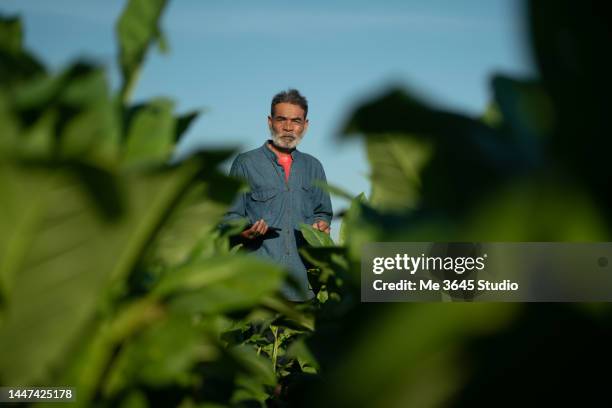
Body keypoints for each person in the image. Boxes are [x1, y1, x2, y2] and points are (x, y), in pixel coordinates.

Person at [224, 89, 333, 301]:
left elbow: (323, 212)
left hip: (304, 288)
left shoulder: (314, 167)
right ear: (270, 122)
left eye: (296, 121)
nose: (288, 127)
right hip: (258, 288)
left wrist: (322, 224)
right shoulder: (246, 163)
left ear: (305, 125)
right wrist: (244, 232)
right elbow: (229, 217)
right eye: (281, 119)